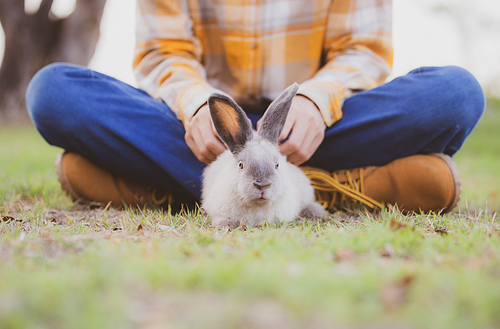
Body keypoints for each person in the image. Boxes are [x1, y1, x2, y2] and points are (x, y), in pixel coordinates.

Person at [25, 0, 485, 214]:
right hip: (211, 137)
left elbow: (362, 49)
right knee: (54, 92)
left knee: (455, 94)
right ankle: (313, 192)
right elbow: (164, 51)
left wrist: (315, 98)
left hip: (312, 129)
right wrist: (195, 102)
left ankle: (166, 188)